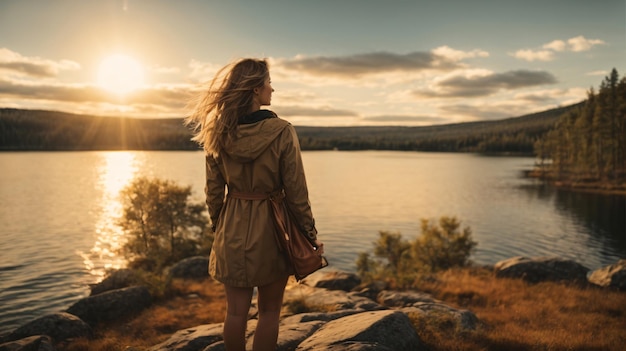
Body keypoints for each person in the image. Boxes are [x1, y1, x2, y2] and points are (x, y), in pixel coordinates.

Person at [185, 58, 323, 351]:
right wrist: (309, 236)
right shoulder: (283, 131)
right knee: (270, 312)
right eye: (269, 83)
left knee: (234, 313)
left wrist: (219, 227)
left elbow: (213, 193)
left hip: (231, 227)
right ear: (256, 89)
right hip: (273, 229)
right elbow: (297, 193)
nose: (272, 88)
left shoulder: (218, 133)